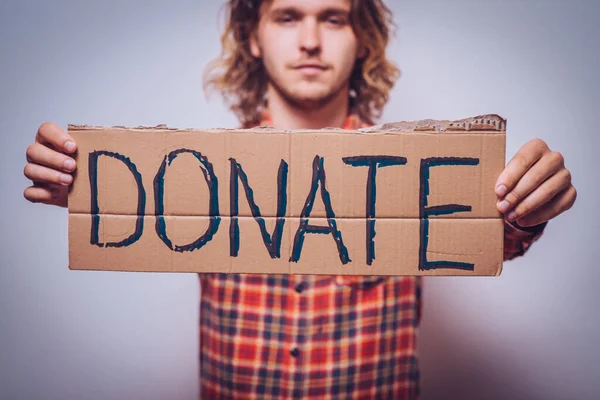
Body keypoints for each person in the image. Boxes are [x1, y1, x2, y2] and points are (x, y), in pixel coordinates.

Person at [23, 0, 577, 398]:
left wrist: (528, 204)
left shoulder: (417, 173)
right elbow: (131, 211)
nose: (310, 40)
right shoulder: (198, 172)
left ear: (361, 38)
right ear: (255, 36)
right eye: (287, 16)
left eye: (332, 18)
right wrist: (86, 184)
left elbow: (497, 235)